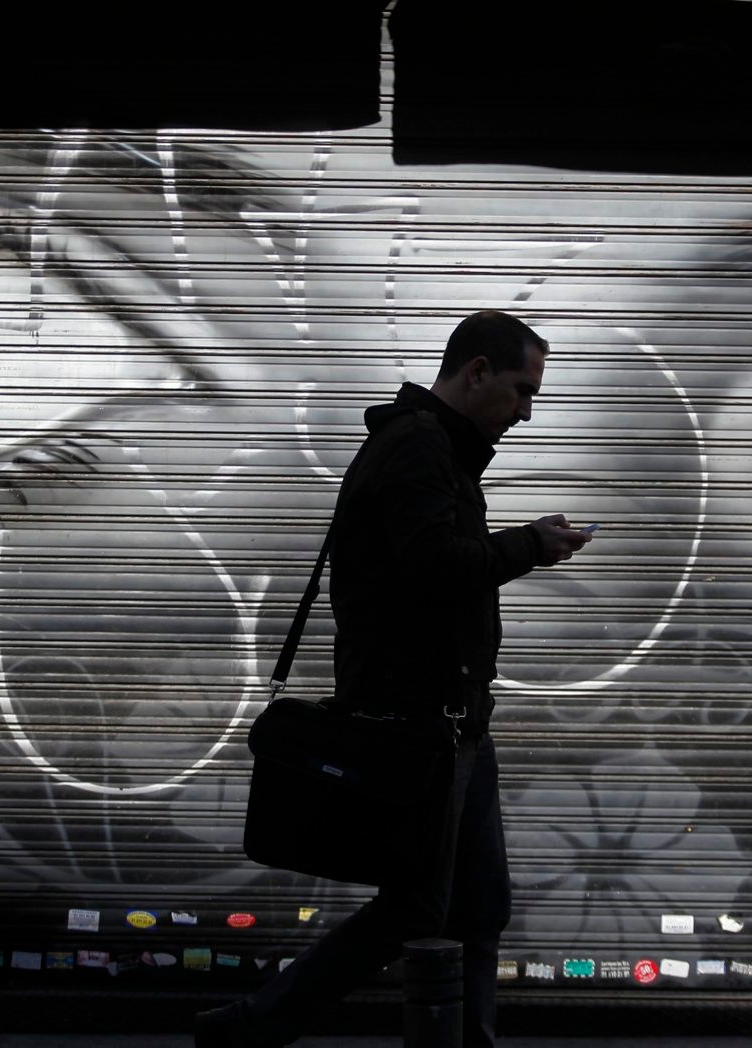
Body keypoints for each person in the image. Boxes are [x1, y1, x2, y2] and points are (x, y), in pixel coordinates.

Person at [195, 310, 591, 1047]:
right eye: (519, 390)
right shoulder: (416, 444)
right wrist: (528, 546)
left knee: (478, 909)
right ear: (476, 371)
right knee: (415, 908)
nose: (526, 412)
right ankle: (250, 1027)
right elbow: (435, 568)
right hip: (419, 724)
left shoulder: (438, 447)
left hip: (456, 721)